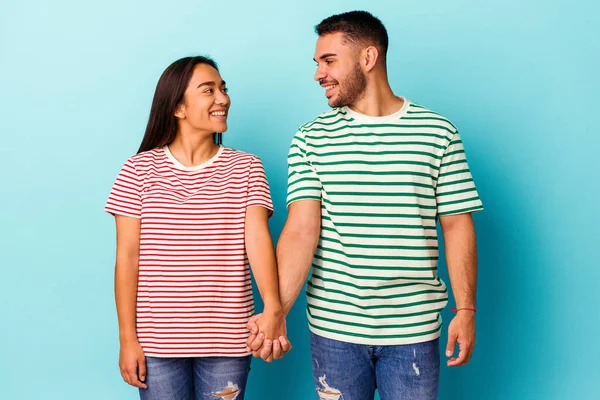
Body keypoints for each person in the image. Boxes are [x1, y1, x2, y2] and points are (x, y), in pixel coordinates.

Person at [247, 11, 483, 400]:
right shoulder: (311, 138)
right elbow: (302, 230)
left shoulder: (438, 132)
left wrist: (466, 310)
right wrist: (276, 311)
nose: (318, 74)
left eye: (329, 61)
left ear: (368, 58)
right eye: (317, 63)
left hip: (415, 330)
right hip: (334, 330)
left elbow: (458, 225)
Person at [105, 55, 289, 400]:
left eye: (223, 89)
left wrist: (273, 308)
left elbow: (258, 243)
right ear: (178, 107)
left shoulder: (247, 167)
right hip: (156, 341)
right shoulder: (137, 170)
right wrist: (127, 339)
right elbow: (127, 259)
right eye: (209, 90)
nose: (223, 98)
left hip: (228, 339)